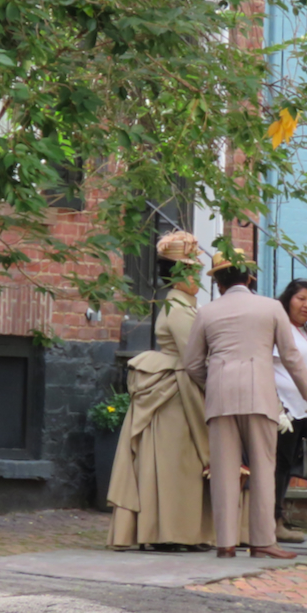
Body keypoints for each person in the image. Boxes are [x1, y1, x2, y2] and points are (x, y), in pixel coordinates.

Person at [183, 249, 307, 559]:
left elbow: (192, 364)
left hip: (221, 395)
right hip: (260, 394)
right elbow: (291, 357)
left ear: (218, 283)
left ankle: (225, 543)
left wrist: (214, 381)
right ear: (249, 278)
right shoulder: (271, 307)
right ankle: (262, 541)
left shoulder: (206, 312)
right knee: (263, 467)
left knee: (223, 470)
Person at [106, 232, 212, 550]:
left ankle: (180, 532)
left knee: (180, 463)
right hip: (174, 393)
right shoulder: (178, 308)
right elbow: (194, 358)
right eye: (192, 271)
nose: (198, 277)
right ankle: (168, 532)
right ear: (178, 275)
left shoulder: (184, 306)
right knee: (174, 463)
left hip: (177, 390)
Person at [271, 279, 307, 545]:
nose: (306, 305)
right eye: (301, 299)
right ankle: (273, 522)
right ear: (288, 299)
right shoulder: (280, 329)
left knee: (291, 465)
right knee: (279, 465)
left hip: (306, 410)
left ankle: (278, 516)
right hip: (286, 409)